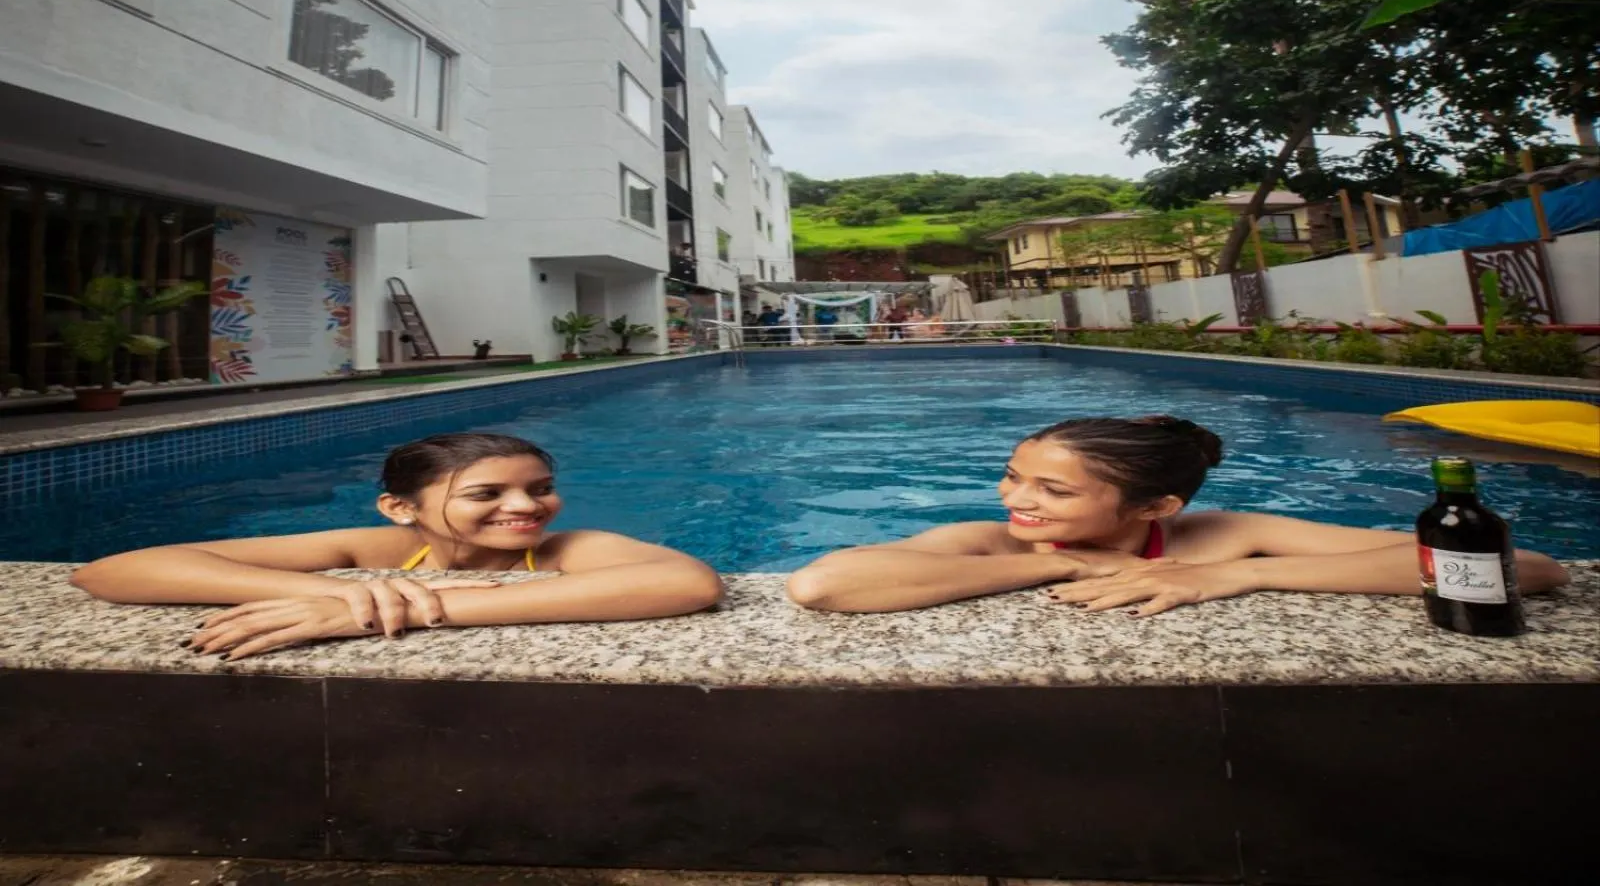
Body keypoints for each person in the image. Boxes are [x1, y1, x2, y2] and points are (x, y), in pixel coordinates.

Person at [785, 415, 1570, 615]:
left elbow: (1529, 569)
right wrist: (1066, 560)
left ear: (1157, 507)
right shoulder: (995, 542)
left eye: (1053, 491)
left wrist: (1232, 577)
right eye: (1014, 477)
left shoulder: (1230, 535)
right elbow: (823, 585)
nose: (1016, 500)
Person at [71, 432, 724, 659]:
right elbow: (111, 573)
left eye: (540, 489)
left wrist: (415, 608)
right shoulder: (373, 549)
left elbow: (689, 584)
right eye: (487, 494)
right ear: (401, 508)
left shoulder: (564, 548)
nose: (527, 507)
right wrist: (346, 593)